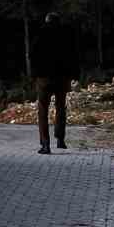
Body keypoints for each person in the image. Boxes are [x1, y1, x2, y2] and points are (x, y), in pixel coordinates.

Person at [30, 11, 74, 155]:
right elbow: (73, 55)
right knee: (61, 107)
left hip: (44, 78)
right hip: (62, 78)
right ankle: (60, 140)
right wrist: (72, 75)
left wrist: (34, 76)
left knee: (43, 110)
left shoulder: (40, 33)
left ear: (46, 20)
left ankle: (45, 144)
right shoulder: (66, 34)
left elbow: (33, 55)